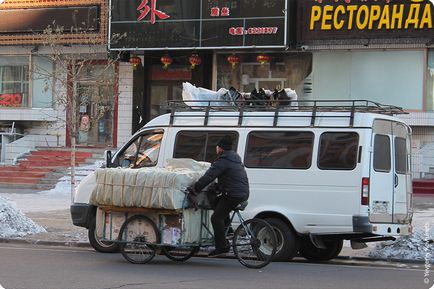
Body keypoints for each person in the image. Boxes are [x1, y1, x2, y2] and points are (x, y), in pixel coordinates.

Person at [188, 136, 249, 257]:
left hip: (233, 194)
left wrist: (196, 188)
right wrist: (217, 187)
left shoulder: (223, 161)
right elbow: (230, 178)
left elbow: (209, 176)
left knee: (216, 218)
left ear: (221, 148)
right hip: (242, 193)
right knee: (217, 204)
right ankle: (227, 230)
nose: (216, 148)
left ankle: (222, 247)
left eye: (217, 146)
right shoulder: (234, 158)